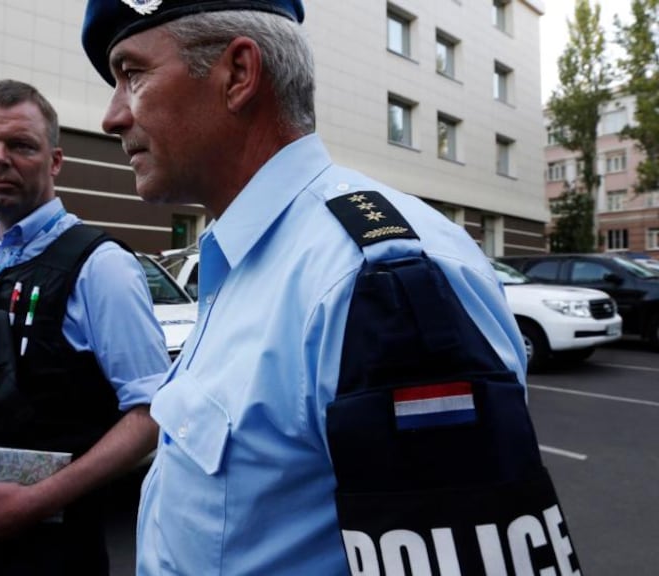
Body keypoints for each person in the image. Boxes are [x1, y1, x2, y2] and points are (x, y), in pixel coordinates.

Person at [83, 2, 582, 575]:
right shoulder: (250, 259)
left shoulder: (369, 280)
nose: (112, 117)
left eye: (133, 74)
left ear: (238, 75)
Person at [0, 79, 169, 575]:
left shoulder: (101, 266)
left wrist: (40, 499)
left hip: (51, 548)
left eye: (21, 145)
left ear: (54, 161)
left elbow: (152, 413)